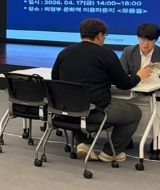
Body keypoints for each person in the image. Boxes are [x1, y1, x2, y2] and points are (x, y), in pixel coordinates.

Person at [52, 18, 152, 163]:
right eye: (105, 35)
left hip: (67, 110)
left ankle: (82, 143)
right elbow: (124, 83)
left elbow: (56, 80)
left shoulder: (65, 52)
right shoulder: (106, 54)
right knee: (135, 113)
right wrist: (139, 76)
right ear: (99, 35)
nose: (105, 39)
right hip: (96, 112)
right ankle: (110, 152)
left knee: (77, 104)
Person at [120, 23, 160, 159]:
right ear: (138, 38)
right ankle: (125, 136)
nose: (145, 43)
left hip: (155, 94)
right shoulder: (128, 52)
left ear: (156, 40)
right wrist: (138, 76)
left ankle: (156, 140)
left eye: (149, 40)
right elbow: (121, 76)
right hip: (133, 92)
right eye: (142, 39)